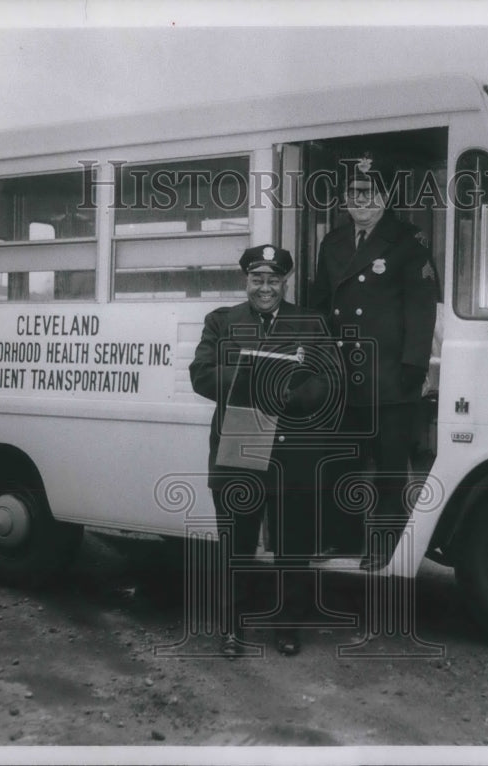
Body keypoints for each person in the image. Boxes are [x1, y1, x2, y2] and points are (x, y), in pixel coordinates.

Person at [190, 244, 332, 657]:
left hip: (293, 446)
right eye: (257, 280)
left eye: (273, 280)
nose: (264, 288)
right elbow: (201, 373)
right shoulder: (221, 322)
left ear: (284, 281)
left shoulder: (310, 323)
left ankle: (287, 628)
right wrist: (251, 378)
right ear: (245, 281)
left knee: (293, 545)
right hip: (240, 437)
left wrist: (288, 394)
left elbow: (326, 381)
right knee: (236, 543)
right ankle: (232, 628)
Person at [309, 153, 438, 570]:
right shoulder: (333, 243)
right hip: (344, 373)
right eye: (352, 192)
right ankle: (342, 540)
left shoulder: (407, 240)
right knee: (343, 461)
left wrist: (414, 366)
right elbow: (321, 304)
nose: (360, 199)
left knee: (388, 469)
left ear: (384, 197)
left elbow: (422, 309)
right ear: (344, 200)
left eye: (369, 191)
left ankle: (384, 545)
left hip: (389, 375)